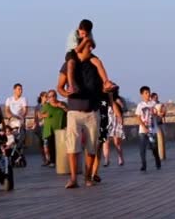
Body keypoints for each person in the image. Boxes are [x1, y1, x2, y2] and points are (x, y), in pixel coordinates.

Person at [57, 58, 103, 189]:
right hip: (74, 111)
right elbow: (59, 87)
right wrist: (67, 93)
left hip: (92, 112)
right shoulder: (69, 64)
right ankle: (73, 178)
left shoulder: (94, 62)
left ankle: (88, 177)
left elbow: (102, 85)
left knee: (92, 147)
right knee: (72, 147)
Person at [65, 19, 116, 94]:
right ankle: (71, 86)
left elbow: (93, 46)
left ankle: (106, 82)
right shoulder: (73, 34)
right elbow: (76, 50)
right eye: (82, 33)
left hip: (85, 53)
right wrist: (85, 41)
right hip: (73, 52)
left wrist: (90, 41)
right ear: (79, 29)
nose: (84, 35)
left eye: (86, 34)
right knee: (71, 64)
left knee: (98, 62)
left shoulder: (89, 33)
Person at [39, 89, 67, 168]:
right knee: (51, 146)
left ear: (56, 96)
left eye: (53, 96)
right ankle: (52, 161)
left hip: (61, 128)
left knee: (61, 146)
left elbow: (69, 112)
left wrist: (63, 107)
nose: (52, 98)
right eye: (50, 96)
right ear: (48, 98)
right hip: (50, 129)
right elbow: (40, 115)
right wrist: (45, 116)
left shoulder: (62, 103)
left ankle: (61, 161)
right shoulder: (46, 106)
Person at [135, 86, 161, 172]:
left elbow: (159, 112)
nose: (148, 94)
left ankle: (157, 160)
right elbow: (138, 117)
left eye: (148, 92)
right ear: (142, 94)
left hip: (152, 130)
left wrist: (157, 113)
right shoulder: (140, 105)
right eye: (146, 93)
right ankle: (144, 165)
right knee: (142, 149)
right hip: (143, 131)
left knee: (154, 147)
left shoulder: (153, 103)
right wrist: (143, 126)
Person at [104, 89, 125, 166]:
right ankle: (106, 159)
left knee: (117, 142)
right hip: (106, 122)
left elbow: (122, 109)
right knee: (106, 142)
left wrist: (117, 103)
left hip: (116, 122)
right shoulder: (104, 100)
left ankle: (120, 157)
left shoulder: (117, 99)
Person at [151, 92, 167, 161]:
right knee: (154, 141)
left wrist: (162, 114)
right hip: (153, 124)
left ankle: (162, 155)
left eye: (157, 97)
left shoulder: (160, 104)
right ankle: (158, 155)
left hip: (159, 123)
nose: (156, 98)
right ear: (152, 98)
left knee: (161, 139)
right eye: (155, 97)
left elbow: (164, 113)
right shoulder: (150, 105)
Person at [35, 91, 49, 166]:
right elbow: (38, 116)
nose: (46, 98)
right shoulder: (38, 106)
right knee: (41, 145)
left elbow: (44, 115)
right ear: (41, 97)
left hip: (47, 127)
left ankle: (48, 159)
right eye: (45, 96)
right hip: (40, 127)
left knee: (46, 144)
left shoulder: (49, 105)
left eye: (47, 96)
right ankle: (44, 160)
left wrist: (42, 115)